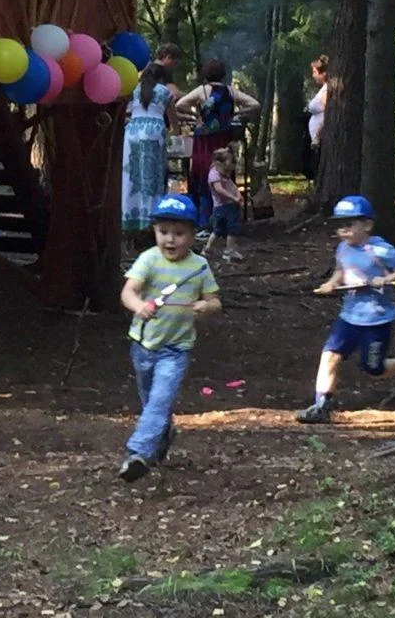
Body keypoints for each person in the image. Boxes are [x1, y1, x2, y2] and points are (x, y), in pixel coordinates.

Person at [119, 193, 221, 481]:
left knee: (160, 400)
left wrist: (206, 306)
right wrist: (139, 306)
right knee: (151, 400)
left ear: (192, 234)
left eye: (179, 233)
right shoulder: (148, 260)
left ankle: (137, 454)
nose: (170, 240)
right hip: (143, 345)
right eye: (163, 232)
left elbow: (215, 300)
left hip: (176, 349)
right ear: (155, 231)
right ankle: (162, 436)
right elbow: (128, 292)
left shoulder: (199, 267)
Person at [296, 194, 395, 424]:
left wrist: (387, 279)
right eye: (339, 225)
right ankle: (321, 405)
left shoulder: (380, 249)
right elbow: (339, 271)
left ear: (367, 225)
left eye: (349, 224)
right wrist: (332, 283)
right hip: (349, 317)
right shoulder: (343, 249)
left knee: (372, 367)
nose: (343, 230)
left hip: (376, 319)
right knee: (330, 355)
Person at [176, 59, 260, 223]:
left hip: (204, 139)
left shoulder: (202, 91)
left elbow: (179, 104)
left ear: (205, 75)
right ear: (223, 75)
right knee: (223, 175)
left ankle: (203, 220)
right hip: (223, 138)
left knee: (201, 176)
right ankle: (226, 219)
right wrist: (236, 114)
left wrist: (194, 116)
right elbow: (255, 104)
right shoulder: (231, 91)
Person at [121, 63, 175, 256]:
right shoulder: (164, 92)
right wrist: (176, 133)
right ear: (161, 78)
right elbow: (172, 117)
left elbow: (125, 111)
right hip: (154, 132)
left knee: (131, 176)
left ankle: (129, 219)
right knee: (152, 177)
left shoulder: (134, 89)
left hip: (133, 132)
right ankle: (151, 218)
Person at [203, 146, 244, 262]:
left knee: (230, 228)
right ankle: (210, 249)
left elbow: (231, 185)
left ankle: (228, 250)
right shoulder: (214, 174)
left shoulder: (224, 173)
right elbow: (219, 189)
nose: (229, 172)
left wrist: (238, 194)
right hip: (223, 206)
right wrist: (233, 197)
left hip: (231, 205)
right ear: (218, 163)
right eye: (227, 169)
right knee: (223, 229)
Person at [304, 55, 328, 182]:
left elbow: (327, 115)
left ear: (323, 73)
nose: (313, 75)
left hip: (320, 139)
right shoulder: (323, 89)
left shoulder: (327, 90)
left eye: (314, 72)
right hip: (316, 139)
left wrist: (318, 136)